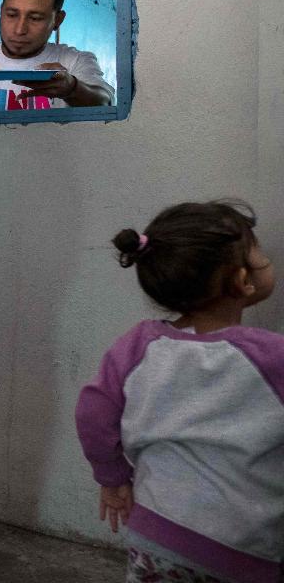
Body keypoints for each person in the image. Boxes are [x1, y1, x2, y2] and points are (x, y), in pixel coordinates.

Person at [76, 201, 283, 583]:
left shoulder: (138, 345)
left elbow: (93, 411)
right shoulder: (271, 356)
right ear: (242, 281)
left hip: (156, 537)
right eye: (260, 256)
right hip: (245, 549)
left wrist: (112, 475)